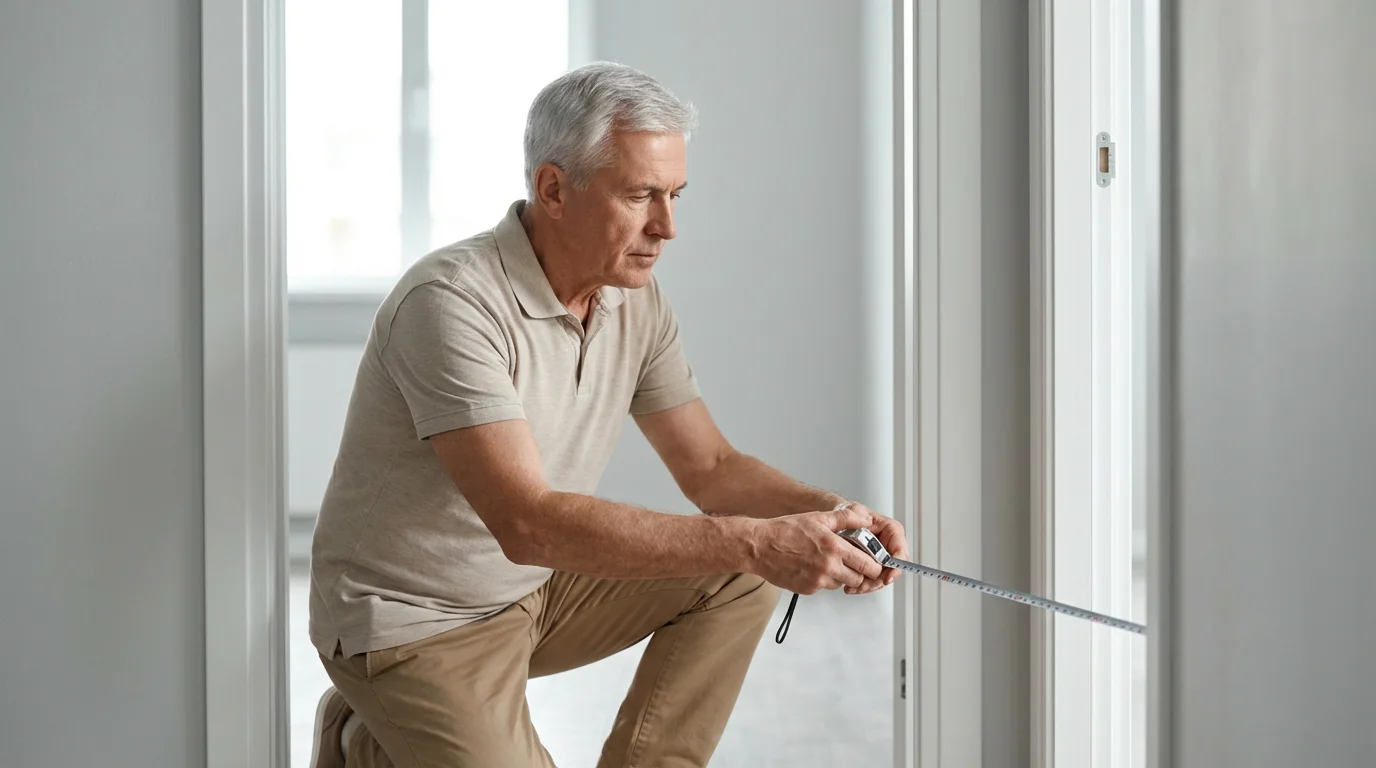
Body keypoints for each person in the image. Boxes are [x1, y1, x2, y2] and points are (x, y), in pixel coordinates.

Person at [307, 61, 908, 768]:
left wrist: (834, 515)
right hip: (412, 620)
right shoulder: (450, 304)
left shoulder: (634, 300)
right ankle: (372, 723)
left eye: (677, 194)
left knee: (745, 567)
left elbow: (711, 468)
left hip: (532, 593)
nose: (668, 226)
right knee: (748, 548)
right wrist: (757, 540)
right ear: (553, 189)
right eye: (641, 195)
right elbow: (526, 523)